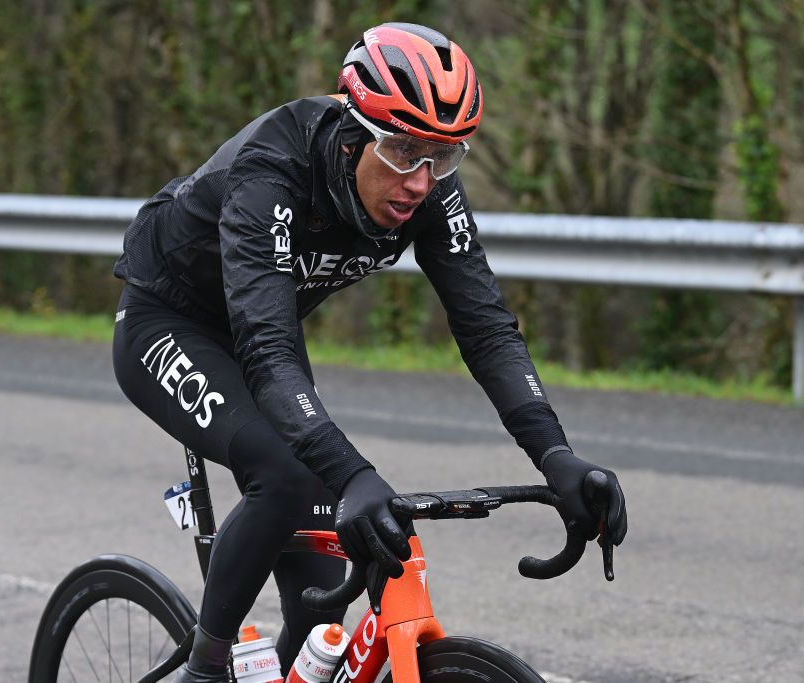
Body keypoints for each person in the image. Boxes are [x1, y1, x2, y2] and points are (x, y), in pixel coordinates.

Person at [112, 22, 628, 683]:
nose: (421, 180)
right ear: (354, 132)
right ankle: (206, 669)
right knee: (288, 474)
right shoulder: (273, 170)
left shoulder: (427, 191)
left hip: (264, 340)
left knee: (322, 601)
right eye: (405, 150)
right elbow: (268, 349)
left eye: (444, 156)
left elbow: (488, 326)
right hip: (169, 323)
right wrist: (351, 471)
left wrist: (555, 454)